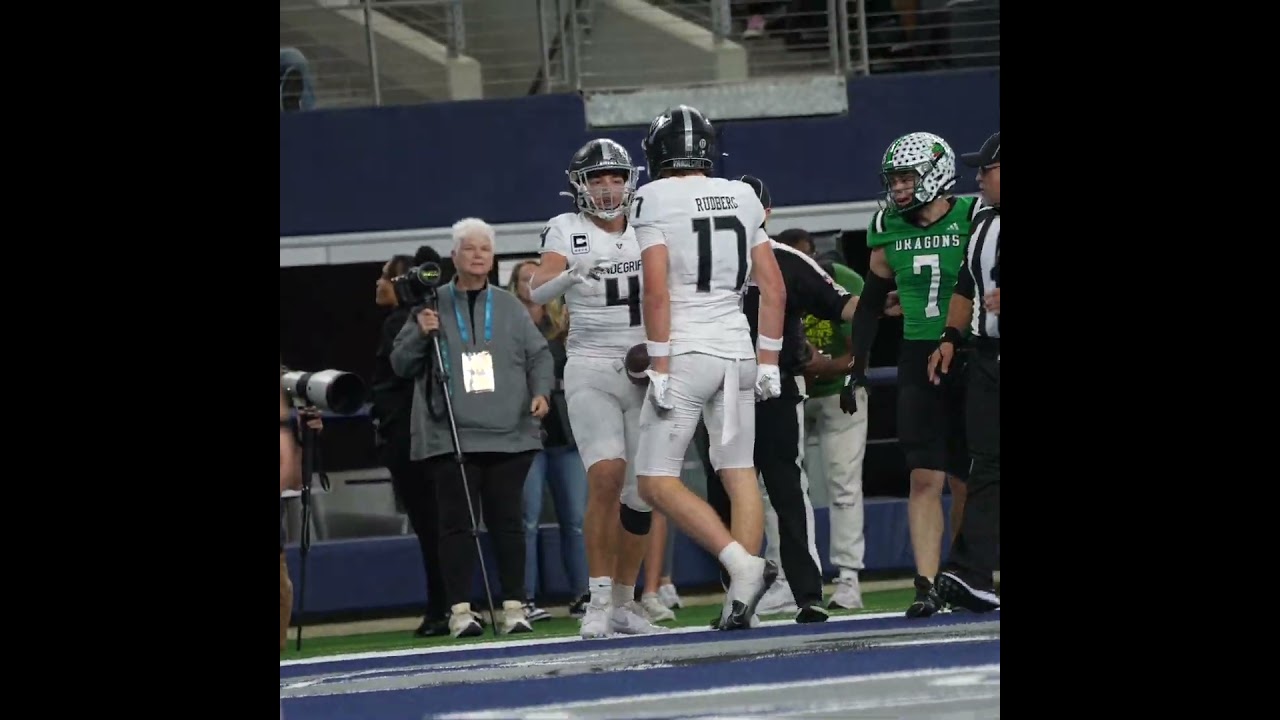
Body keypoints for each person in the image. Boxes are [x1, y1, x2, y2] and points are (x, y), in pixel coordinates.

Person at [631, 104, 788, 631]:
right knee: (739, 473)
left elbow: (656, 291)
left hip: (688, 352)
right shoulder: (742, 195)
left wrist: (658, 362)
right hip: (739, 352)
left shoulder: (652, 197)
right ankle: (741, 603)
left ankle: (741, 566)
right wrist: (769, 360)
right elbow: (773, 287)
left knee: (654, 482)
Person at [699, 176, 859, 624]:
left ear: (765, 213)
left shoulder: (786, 259)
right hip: (718, 388)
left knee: (786, 487)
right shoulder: (702, 257)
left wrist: (889, 302)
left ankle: (807, 592)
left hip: (773, 385)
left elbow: (842, 303)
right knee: (723, 493)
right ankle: (737, 598)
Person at [841, 131, 984, 618]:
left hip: (970, 351)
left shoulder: (974, 216)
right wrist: (856, 366)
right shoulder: (887, 227)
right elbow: (870, 304)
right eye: (895, 179)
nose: (899, 187)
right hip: (917, 353)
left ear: (936, 174)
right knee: (924, 475)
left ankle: (962, 575)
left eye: (907, 177)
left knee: (968, 477)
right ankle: (925, 583)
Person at [390, 217, 555, 639]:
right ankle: (460, 611)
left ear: (493, 257)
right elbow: (400, 364)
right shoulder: (430, 304)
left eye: (485, 248)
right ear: (454, 256)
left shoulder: (510, 305)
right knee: (457, 526)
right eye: (469, 248)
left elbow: (539, 355)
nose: (478, 255)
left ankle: (515, 606)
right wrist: (420, 334)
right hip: (450, 436)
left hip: (509, 434)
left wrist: (542, 392)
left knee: (508, 523)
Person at [527, 138, 666, 639]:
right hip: (590, 364)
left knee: (643, 492)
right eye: (597, 179)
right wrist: (569, 274)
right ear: (579, 185)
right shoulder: (566, 228)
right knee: (606, 476)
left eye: (615, 178)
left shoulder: (651, 223)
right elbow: (536, 289)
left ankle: (626, 602)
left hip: (645, 366)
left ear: (630, 182)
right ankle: (599, 598)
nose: (607, 188)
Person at [931, 130, 1000, 613]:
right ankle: (971, 573)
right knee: (986, 467)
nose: (978, 177)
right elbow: (964, 284)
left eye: (986, 169)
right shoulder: (981, 216)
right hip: (988, 355)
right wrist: (951, 337)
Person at [371, 250, 450, 637]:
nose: (378, 284)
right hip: (427, 437)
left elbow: (397, 383)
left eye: (385, 277)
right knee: (443, 526)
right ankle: (453, 605)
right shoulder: (418, 319)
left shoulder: (400, 324)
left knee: (431, 527)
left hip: (412, 441)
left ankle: (442, 609)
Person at [508, 261, 587, 623]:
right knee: (527, 519)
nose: (529, 284)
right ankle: (524, 598)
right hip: (524, 430)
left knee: (576, 519)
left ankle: (583, 594)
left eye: (535, 277)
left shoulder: (563, 323)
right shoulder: (507, 324)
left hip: (566, 432)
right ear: (514, 285)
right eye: (523, 279)